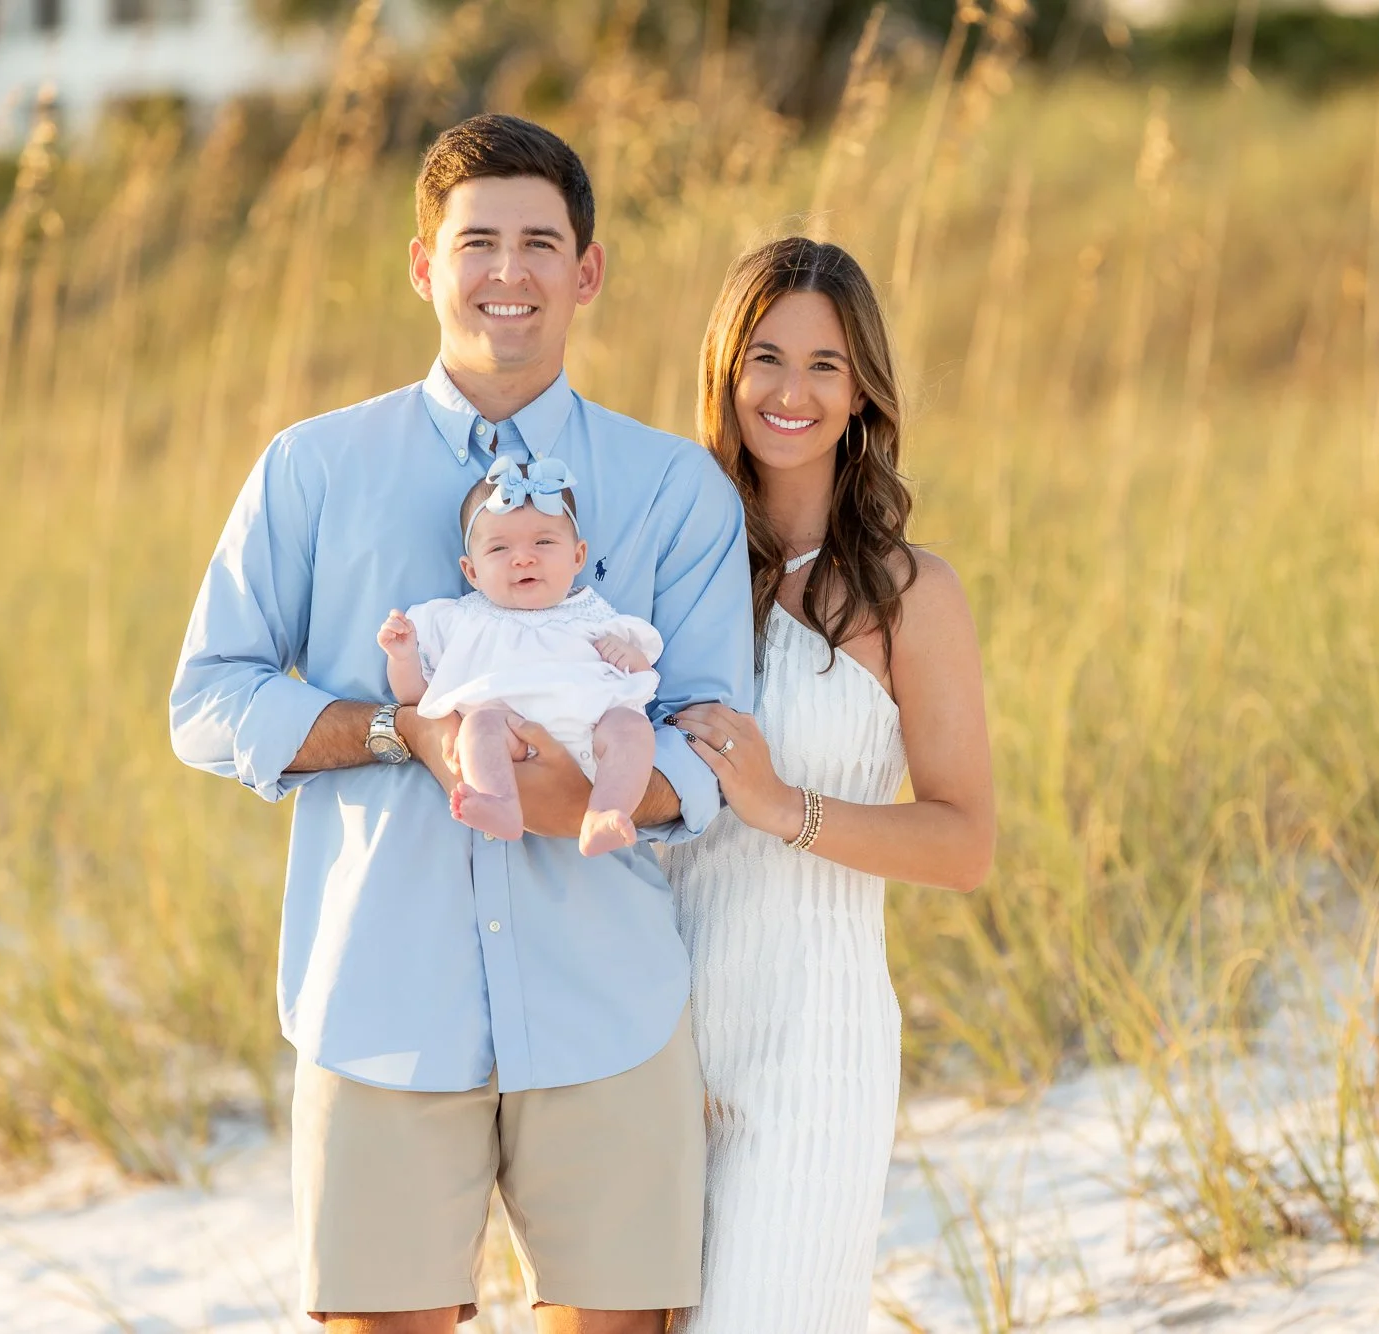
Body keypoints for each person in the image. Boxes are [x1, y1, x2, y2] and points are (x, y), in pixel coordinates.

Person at [169, 113, 751, 1333]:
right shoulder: (311, 468)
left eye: (540, 242)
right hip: (380, 1000)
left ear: (586, 271)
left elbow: (712, 744)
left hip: (609, 1005)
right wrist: (400, 733)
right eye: (476, 239)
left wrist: (580, 791)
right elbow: (206, 699)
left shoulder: (670, 486)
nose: (507, 271)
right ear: (423, 261)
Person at [663, 237, 997, 1331]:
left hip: (810, 1044)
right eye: (765, 357)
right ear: (725, 370)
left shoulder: (910, 591)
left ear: (861, 392)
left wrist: (780, 806)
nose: (791, 391)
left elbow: (963, 842)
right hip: (650, 1032)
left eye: (824, 363)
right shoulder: (665, 568)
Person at [379, 456, 664, 856]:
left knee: (633, 730)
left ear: (578, 556)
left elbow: (646, 678)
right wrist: (403, 655)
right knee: (477, 729)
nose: (524, 558)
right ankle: (501, 803)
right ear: (472, 571)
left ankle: (604, 811)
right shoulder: (461, 619)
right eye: (499, 548)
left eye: (544, 542)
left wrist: (630, 655)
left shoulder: (592, 612)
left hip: (593, 728)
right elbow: (416, 697)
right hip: (508, 732)